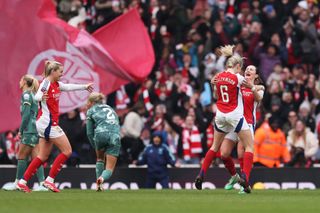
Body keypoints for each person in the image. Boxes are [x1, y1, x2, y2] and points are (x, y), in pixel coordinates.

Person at [17, 60, 93, 193]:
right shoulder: (46, 82)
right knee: (67, 151)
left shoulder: (56, 83)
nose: (62, 74)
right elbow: (37, 96)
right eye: (60, 72)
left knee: (42, 156)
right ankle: (49, 181)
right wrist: (41, 97)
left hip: (45, 123)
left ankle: (22, 182)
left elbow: (68, 87)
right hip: (48, 123)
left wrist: (84, 86)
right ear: (53, 71)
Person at [195, 45, 254, 193]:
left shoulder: (218, 76)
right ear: (238, 66)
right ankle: (245, 178)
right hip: (234, 115)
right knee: (249, 147)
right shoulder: (238, 77)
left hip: (220, 114)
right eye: (241, 67)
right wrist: (256, 88)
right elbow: (250, 87)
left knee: (214, 147)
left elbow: (216, 94)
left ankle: (201, 173)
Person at [220, 65, 264, 194]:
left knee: (241, 153)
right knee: (224, 153)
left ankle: (245, 185)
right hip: (235, 122)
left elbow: (259, 98)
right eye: (247, 69)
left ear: (256, 75)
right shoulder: (238, 86)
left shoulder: (259, 89)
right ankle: (235, 177)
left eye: (251, 69)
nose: (248, 70)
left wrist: (253, 87)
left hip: (248, 123)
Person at [3, 75, 47, 191]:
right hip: (34, 128)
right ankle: (42, 183)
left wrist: (21, 131)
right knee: (36, 158)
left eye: (21, 80)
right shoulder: (33, 95)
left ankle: (17, 183)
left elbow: (26, 115)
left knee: (21, 157)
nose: (19, 82)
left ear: (25, 82)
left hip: (29, 130)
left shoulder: (26, 95)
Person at [85, 92, 121, 191]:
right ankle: (102, 179)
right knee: (109, 169)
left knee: (100, 159)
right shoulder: (111, 109)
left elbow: (89, 132)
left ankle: (98, 184)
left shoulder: (91, 110)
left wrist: (94, 145)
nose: (86, 103)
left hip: (100, 134)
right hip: (115, 135)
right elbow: (117, 123)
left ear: (92, 102)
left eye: (87, 101)